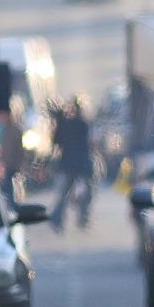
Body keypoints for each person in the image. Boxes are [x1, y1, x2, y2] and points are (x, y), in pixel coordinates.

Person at [50, 95, 94, 231]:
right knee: (85, 192)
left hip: (70, 162)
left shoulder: (68, 124)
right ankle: (81, 218)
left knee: (66, 193)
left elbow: (56, 142)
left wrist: (59, 120)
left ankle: (59, 219)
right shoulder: (83, 124)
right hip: (80, 162)